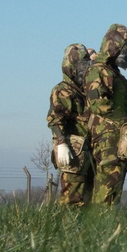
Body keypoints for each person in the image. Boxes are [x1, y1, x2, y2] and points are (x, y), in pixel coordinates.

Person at [84, 24, 127, 206]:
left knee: (115, 183)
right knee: (107, 183)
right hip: (106, 138)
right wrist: (123, 119)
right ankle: (101, 220)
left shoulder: (114, 74)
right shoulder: (97, 71)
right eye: (124, 46)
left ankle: (109, 221)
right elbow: (98, 104)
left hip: (118, 138)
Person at [47, 43, 94, 207]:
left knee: (89, 199)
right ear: (71, 66)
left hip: (89, 152)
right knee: (71, 200)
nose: (84, 69)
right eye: (80, 65)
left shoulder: (86, 91)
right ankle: (64, 229)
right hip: (73, 152)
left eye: (86, 64)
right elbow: (54, 119)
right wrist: (61, 143)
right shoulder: (62, 90)